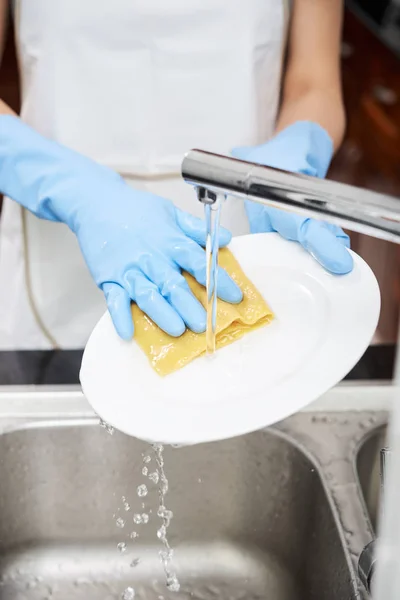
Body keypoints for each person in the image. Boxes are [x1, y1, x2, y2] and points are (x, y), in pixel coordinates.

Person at [0, 0, 353, 350]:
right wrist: (69, 186)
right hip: (56, 249)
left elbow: (314, 82)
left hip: (240, 230)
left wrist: (291, 159)